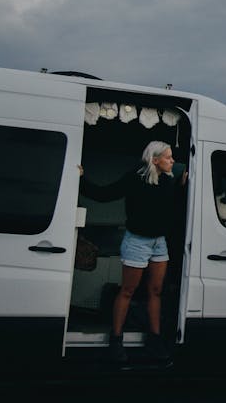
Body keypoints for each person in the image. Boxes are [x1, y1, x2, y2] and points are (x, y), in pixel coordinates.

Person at [79, 141, 187, 364]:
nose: (173, 161)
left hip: (159, 243)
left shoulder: (168, 181)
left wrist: (182, 187)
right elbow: (103, 194)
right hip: (136, 242)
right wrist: (81, 179)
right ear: (155, 160)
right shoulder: (134, 178)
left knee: (155, 291)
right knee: (128, 290)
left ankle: (154, 341)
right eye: (168, 157)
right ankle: (116, 342)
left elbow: (172, 207)